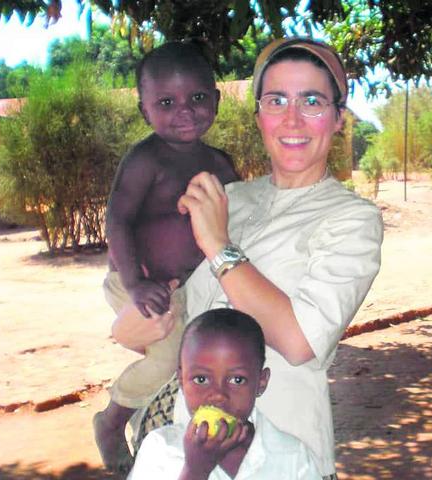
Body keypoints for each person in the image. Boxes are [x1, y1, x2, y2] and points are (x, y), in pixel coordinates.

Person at [113, 37, 384, 478]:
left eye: (312, 101)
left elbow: (300, 341)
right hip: (185, 447)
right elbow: (166, 322)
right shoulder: (228, 197)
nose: (292, 118)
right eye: (276, 100)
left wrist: (219, 246)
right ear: (259, 114)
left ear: (337, 119)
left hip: (282, 455)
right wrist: (137, 314)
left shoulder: (352, 220)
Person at [94, 40, 238, 471]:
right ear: (145, 111)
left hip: (190, 288)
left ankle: (166, 433)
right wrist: (135, 284)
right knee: (168, 352)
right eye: (166, 102)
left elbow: (236, 222)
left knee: (202, 357)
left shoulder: (222, 164)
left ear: (215, 100)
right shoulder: (144, 161)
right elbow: (117, 220)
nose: (185, 111)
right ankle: (111, 419)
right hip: (137, 282)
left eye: (197, 98)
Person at [128, 308, 321, 479]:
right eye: (201, 379)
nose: (218, 394)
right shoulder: (161, 450)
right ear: (181, 380)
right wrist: (195, 471)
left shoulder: (292, 455)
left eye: (237, 380)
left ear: (261, 382)